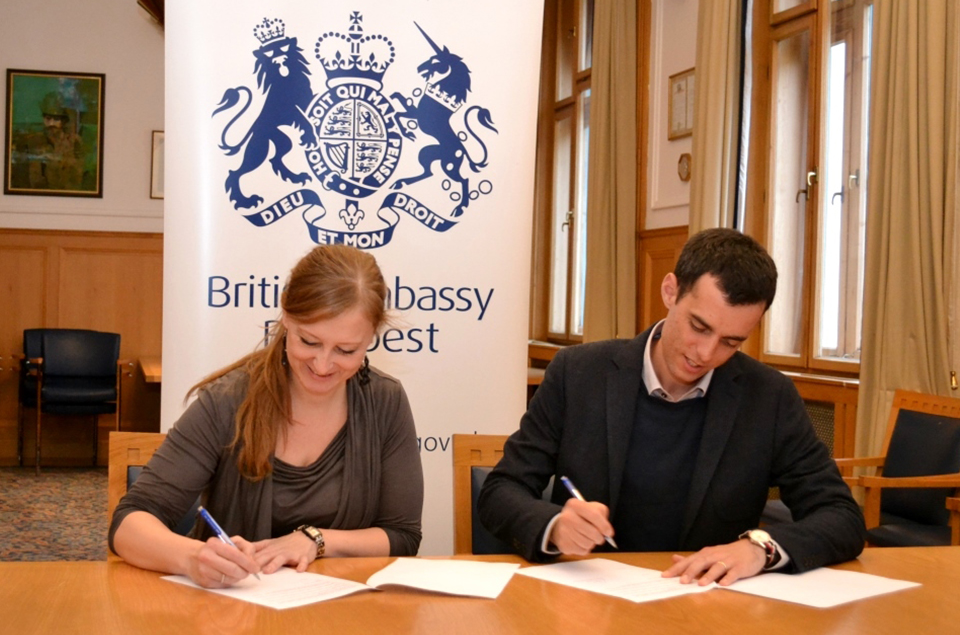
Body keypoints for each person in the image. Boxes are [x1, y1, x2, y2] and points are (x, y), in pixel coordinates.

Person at [478, 228, 865, 586]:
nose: (707, 354)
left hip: (705, 606)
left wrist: (759, 548)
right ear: (670, 291)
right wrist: (554, 525)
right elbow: (501, 490)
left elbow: (842, 517)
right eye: (699, 326)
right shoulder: (579, 373)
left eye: (731, 342)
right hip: (586, 601)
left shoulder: (769, 397)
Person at [110, 245, 424, 588]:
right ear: (286, 314)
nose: (322, 365)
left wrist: (315, 540)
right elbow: (129, 524)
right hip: (233, 614)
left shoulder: (385, 401)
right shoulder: (229, 400)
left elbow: (402, 535)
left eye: (346, 351)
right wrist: (191, 558)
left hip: (343, 615)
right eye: (309, 341)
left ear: (371, 339)